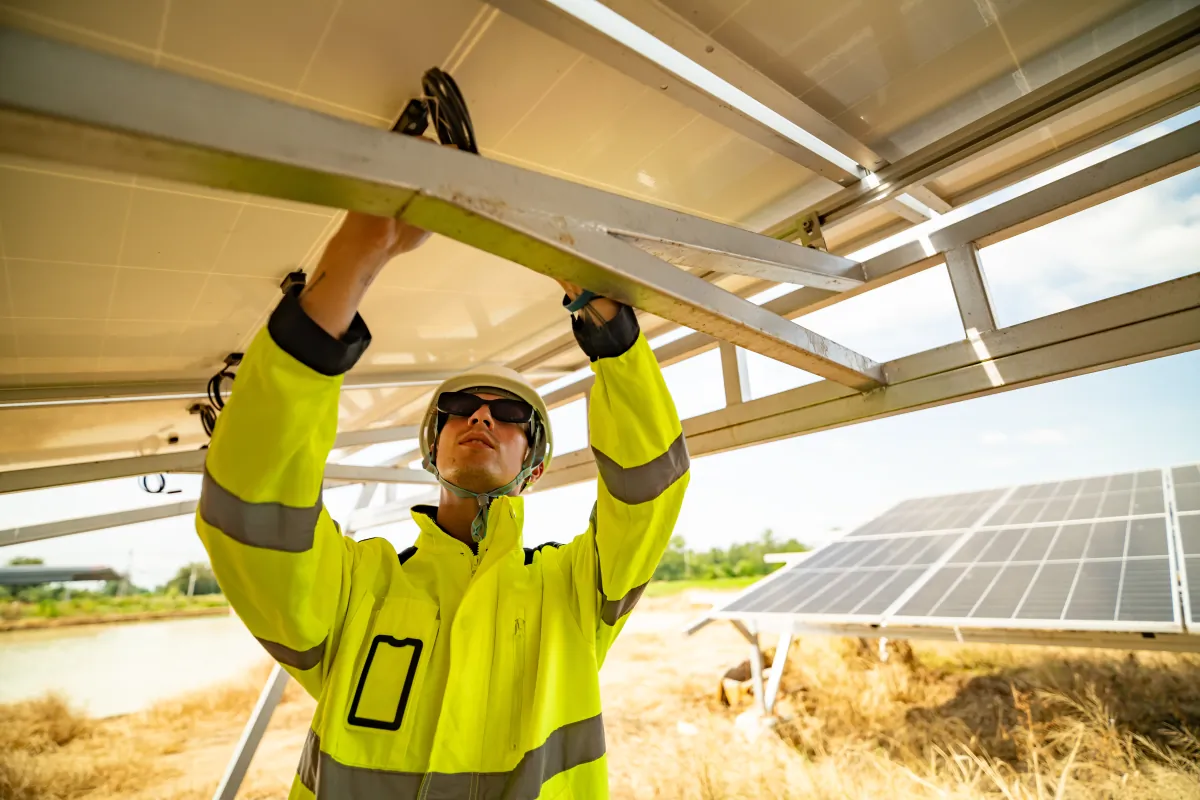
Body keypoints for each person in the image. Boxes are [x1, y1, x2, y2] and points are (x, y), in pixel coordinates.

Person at [195, 209, 689, 799]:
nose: (482, 415)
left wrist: (608, 329)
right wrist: (355, 256)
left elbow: (649, 490)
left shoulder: (573, 590)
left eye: (509, 415)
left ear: (533, 469)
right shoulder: (359, 586)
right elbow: (254, 511)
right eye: (461, 406)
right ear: (433, 448)